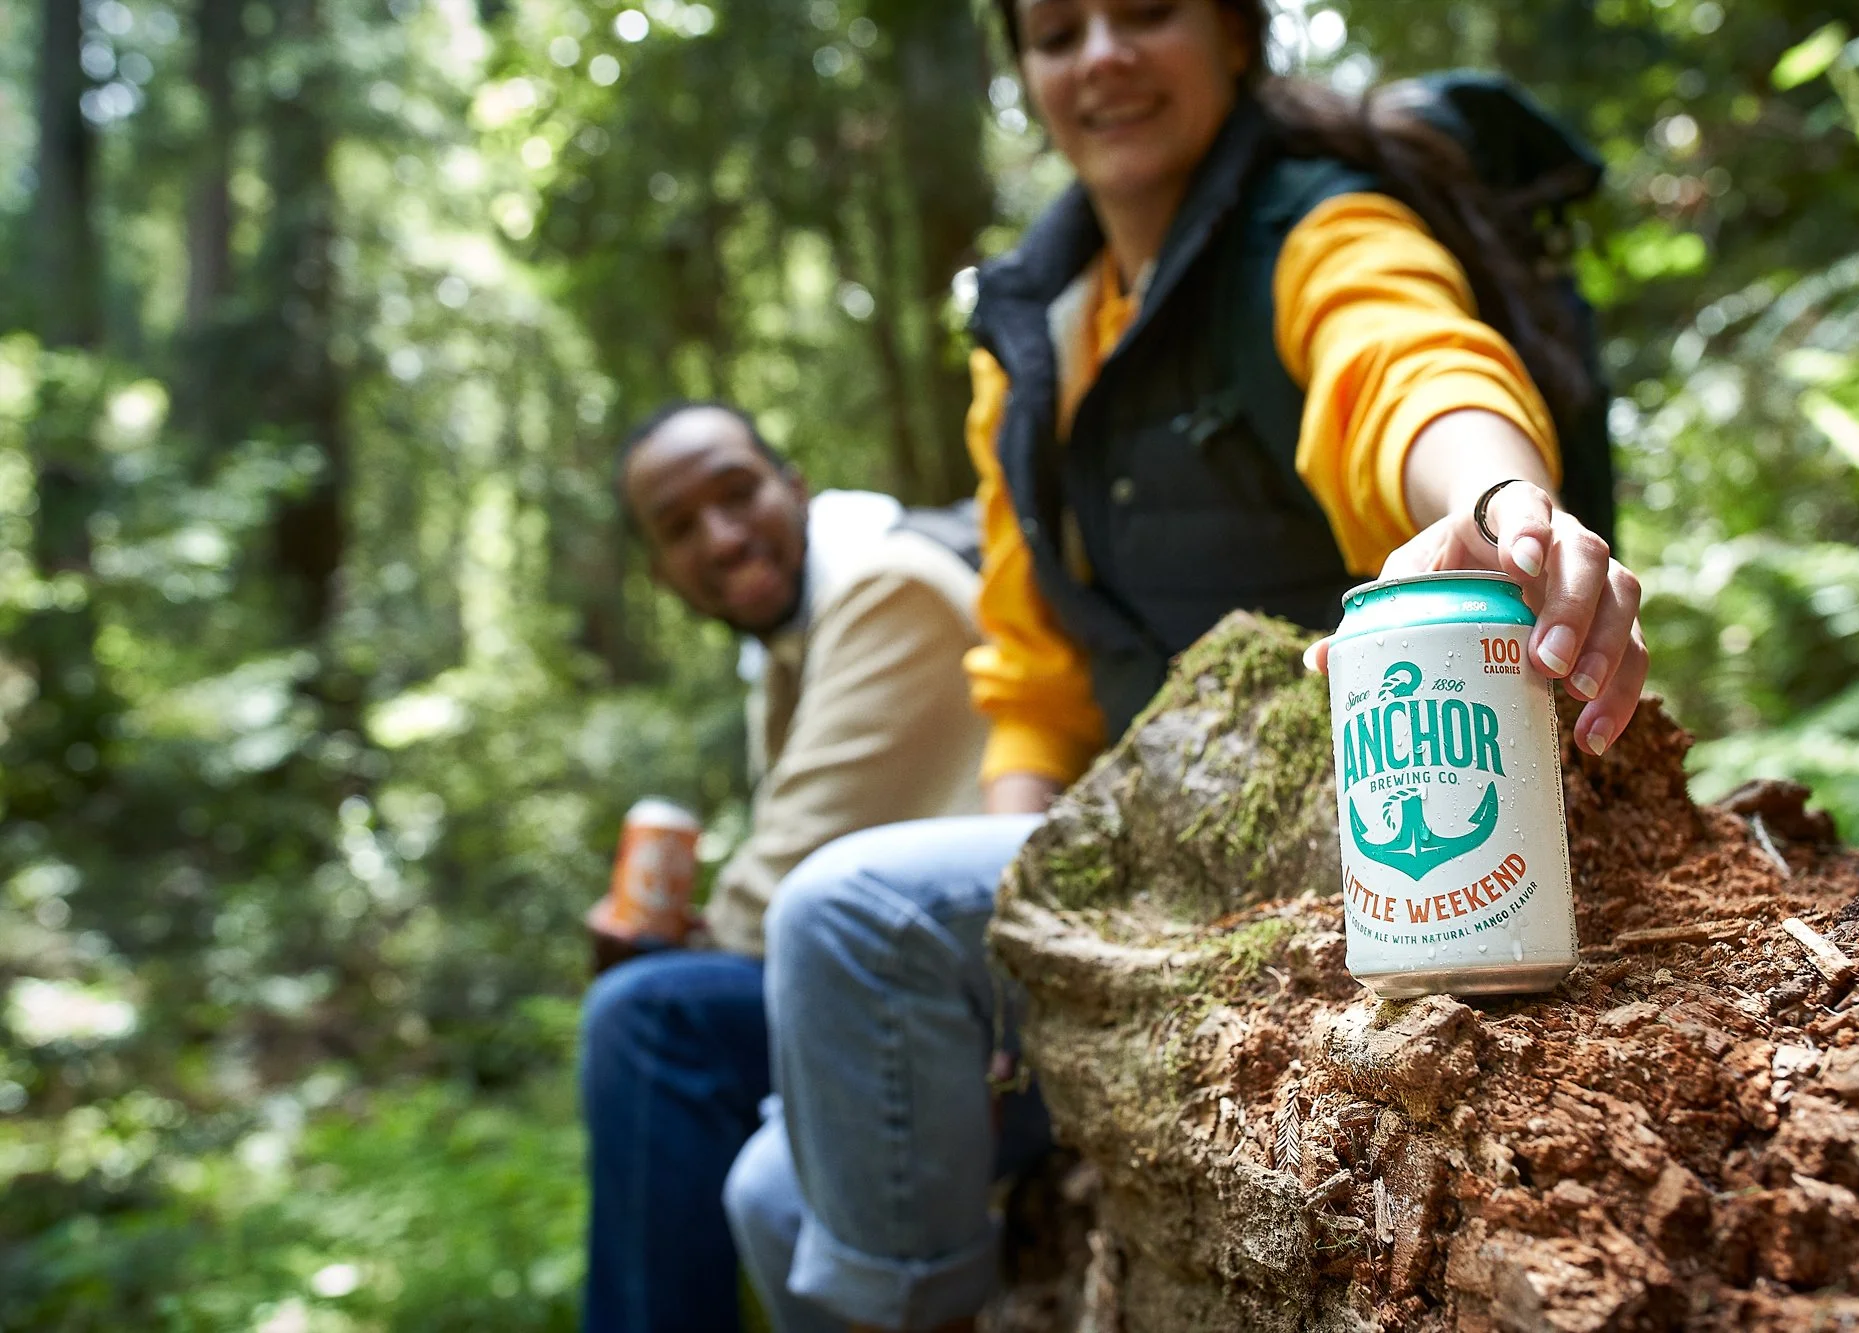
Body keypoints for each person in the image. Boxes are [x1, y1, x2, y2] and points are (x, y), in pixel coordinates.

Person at [724, 2, 1648, 1329]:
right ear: (1029, 75)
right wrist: (1028, 959)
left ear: (1234, 38)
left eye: (1144, 12)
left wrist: (1509, 506)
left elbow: (1402, 360)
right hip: (1147, 869)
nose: (1099, 56)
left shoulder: (1315, 226)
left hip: (1345, 850)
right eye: (1054, 32)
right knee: (765, 1188)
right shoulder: (1032, 334)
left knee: (848, 915)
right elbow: (1031, 674)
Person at [579, 401, 990, 1332]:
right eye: (681, 528)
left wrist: (683, 944)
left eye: (738, 494)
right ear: (660, 568)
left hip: (961, 984)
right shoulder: (791, 645)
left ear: (794, 487)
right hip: (900, 973)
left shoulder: (891, 588)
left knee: (647, 1021)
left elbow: (788, 875)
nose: (721, 538)